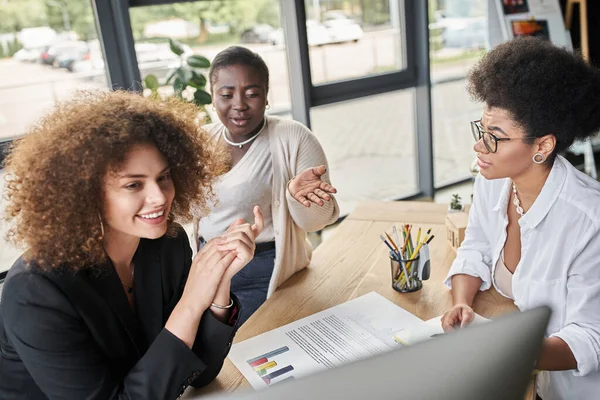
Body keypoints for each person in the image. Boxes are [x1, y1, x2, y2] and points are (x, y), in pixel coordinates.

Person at [0, 91, 264, 399]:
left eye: (163, 177)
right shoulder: (35, 293)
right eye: (134, 184)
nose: (160, 196)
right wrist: (191, 303)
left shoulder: (168, 245)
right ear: (87, 194)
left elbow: (200, 373)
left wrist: (218, 283)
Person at [440, 37, 600, 400]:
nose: (479, 146)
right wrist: (461, 303)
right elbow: (476, 245)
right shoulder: (493, 182)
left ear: (542, 146)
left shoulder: (591, 223)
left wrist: (511, 351)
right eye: (481, 130)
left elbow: (591, 336)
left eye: (495, 138)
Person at [198, 46, 340, 325]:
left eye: (251, 93)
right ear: (213, 97)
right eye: (226, 95)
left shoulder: (293, 137)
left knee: (238, 348)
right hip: (206, 264)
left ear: (266, 96)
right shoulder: (201, 140)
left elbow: (317, 223)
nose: (238, 104)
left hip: (263, 270)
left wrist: (296, 197)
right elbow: (185, 215)